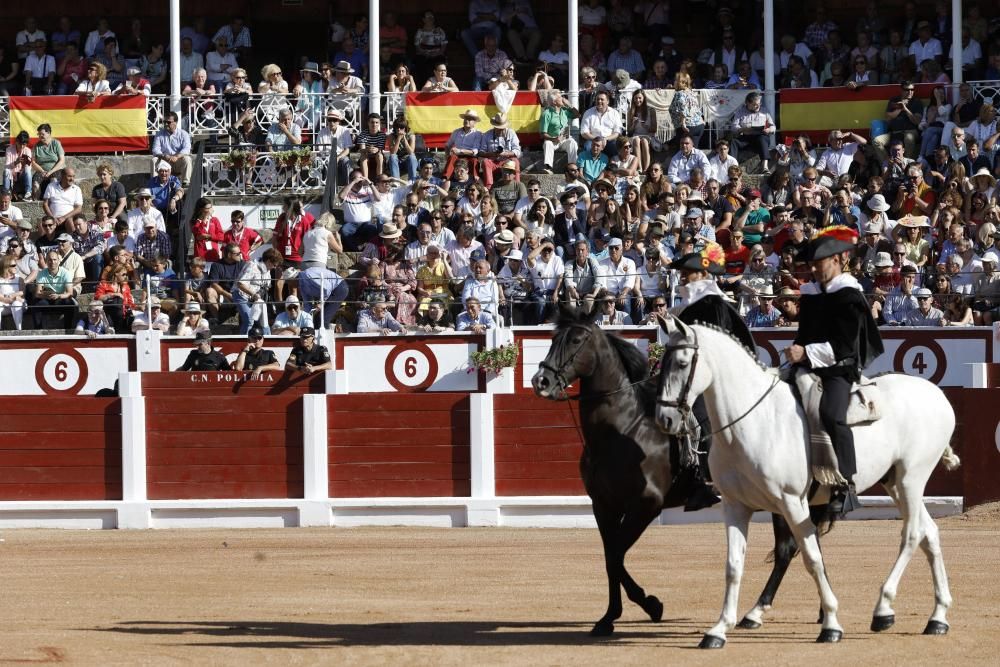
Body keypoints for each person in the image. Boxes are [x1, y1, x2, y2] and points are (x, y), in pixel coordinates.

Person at [785, 225, 884, 517]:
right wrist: (796, 352)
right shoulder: (812, 293)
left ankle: (846, 484)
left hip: (839, 370)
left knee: (832, 415)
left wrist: (805, 353)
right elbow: (804, 334)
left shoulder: (849, 295)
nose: (814, 269)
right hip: (807, 365)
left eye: (820, 263)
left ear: (838, 260)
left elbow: (844, 347)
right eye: (812, 264)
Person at [672, 241, 755, 511]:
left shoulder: (712, 303)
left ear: (703, 275)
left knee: (700, 420)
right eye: (682, 272)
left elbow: (719, 348)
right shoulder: (697, 304)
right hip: (698, 377)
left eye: (689, 272)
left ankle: (707, 483)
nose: (683, 277)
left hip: (720, 380)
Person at [152, 112, 193, 186]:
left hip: (178, 161)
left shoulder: (184, 134)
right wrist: (165, 156)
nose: (166, 124)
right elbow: (155, 150)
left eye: (168, 122)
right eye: (164, 122)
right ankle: (154, 183)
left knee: (187, 159)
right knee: (154, 160)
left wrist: (177, 156)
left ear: (176, 122)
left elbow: (187, 149)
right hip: (165, 161)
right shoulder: (159, 134)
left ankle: (186, 183)